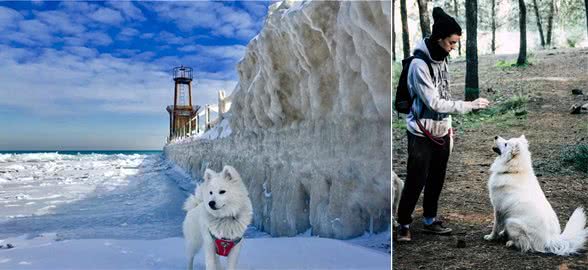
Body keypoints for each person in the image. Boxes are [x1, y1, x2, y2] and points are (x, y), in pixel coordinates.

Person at [396, 7, 490, 242]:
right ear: (439, 39)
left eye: (456, 43)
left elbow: (445, 95)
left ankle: (429, 220)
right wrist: (469, 105)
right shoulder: (419, 65)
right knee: (416, 179)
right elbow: (434, 102)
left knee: (437, 177)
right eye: (451, 42)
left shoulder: (442, 58)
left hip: (442, 131)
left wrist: (448, 128)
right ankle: (404, 224)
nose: (453, 47)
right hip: (420, 132)